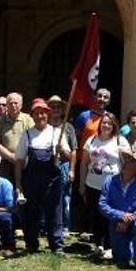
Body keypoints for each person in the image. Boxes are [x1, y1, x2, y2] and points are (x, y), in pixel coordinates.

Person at [15, 98, 71, 255]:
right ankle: (31, 243)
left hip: (52, 180)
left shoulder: (57, 133)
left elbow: (68, 156)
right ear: (32, 115)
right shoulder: (26, 135)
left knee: (54, 212)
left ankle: (56, 245)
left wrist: (61, 150)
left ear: (48, 114)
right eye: (37, 113)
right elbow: (19, 161)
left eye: (43, 113)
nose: (40, 116)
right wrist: (18, 185)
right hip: (31, 180)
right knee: (31, 212)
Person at [79, 112, 128, 258]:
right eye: (104, 123)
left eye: (109, 123)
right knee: (96, 215)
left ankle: (110, 246)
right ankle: (98, 244)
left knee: (110, 215)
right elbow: (84, 163)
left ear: (114, 126)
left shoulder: (120, 141)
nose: (106, 125)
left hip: (113, 186)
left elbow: (127, 163)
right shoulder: (92, 140)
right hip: (92, 184)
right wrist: (82, 184)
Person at [98, 151, 136, 271]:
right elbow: (102, 205)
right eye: (126, 160)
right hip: (117, 223)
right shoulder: (110, 181)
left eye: (131, 161)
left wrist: (129, 219)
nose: (126, 163)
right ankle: (129, 250)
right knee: (121, 260)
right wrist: (121, 215)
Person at [47, 95, 77, 234]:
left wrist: (72, 170)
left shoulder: (68, 127)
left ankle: (64, 226)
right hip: (47, 164)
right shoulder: (44, 125)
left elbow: (74, 151)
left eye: (58, 107)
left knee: (64, 197)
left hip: (64, 165)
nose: (56, 109)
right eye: (52, 106)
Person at [0, 92, 33, 181]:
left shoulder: (28, 119)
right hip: (6, 161)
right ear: (7, 105)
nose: (13, 105)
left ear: (21, 105)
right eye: (10, 103)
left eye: (16, 103)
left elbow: (33, 139)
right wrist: (11, 156)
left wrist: (21, 157)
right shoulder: (1, 121)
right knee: (6, 186)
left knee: (24, 187)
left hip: (25, 162)